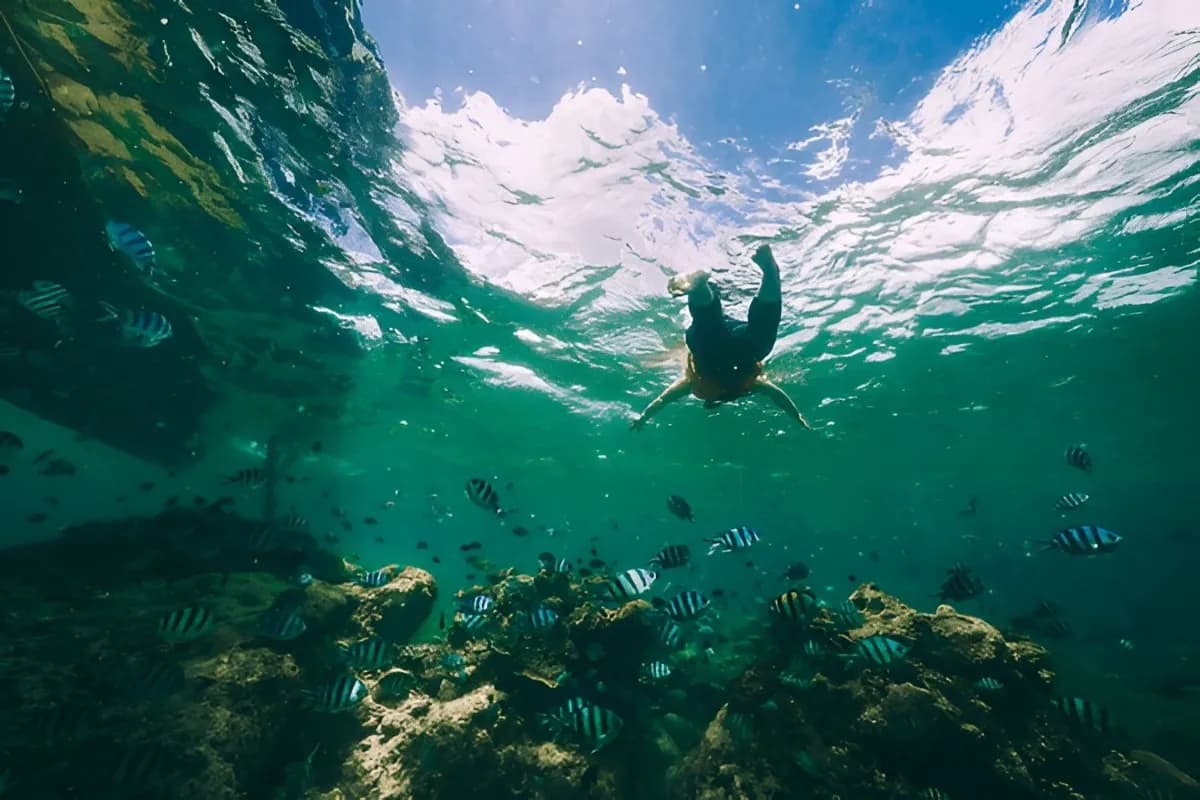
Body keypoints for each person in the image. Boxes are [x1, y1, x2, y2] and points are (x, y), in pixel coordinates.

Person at [631, 244, 812, 430]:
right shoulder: (694, 383)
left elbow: (777, 396)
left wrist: (644, 417)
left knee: (760, 335)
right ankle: (700, 287)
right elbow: (662, 399)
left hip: (739, 346)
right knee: (708, 321)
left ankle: (768, 271)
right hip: (715, 347)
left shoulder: (745, 385)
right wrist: (796, 416)